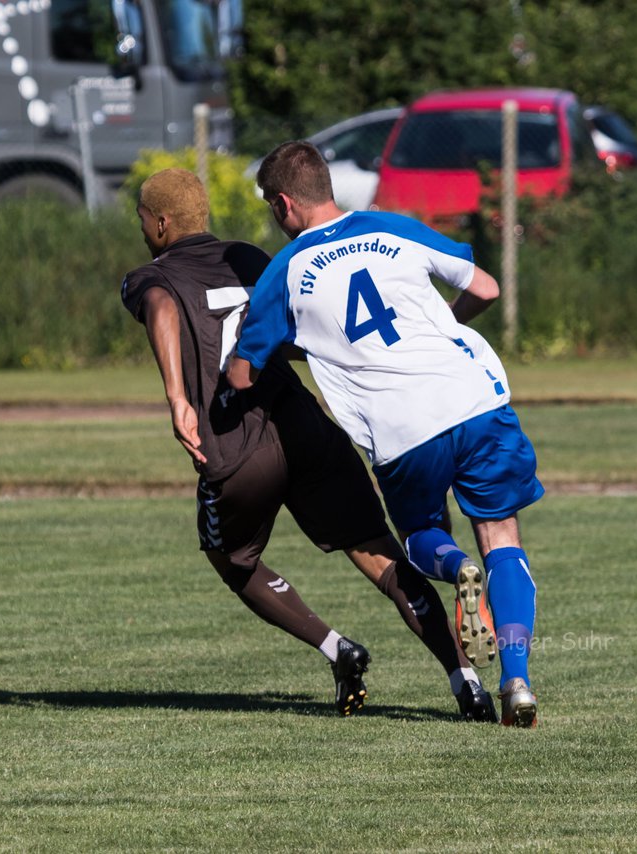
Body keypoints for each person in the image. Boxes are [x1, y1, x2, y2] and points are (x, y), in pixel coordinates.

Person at [121, 168, 495, 720]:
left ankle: (336, 647)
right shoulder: (249, 258)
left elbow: (163, 308)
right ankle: (464, 679)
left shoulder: (148, 276)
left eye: (142, 220)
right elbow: (294, 331)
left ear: (159, 222)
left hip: (234, 440)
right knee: (380, 554)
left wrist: (178, 397)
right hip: (304, 427)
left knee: (232, 558)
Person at [226, 142, 544, 728]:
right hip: (475, 398)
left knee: (422, 533)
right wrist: (443, 324)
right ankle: (517, 678)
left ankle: (454, 571)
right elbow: (487, 288)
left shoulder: (287, 269)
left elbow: (243, 373)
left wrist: (305, 348)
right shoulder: (393, 227)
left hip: (402, 430)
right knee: (501, 537)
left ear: (283, 204)